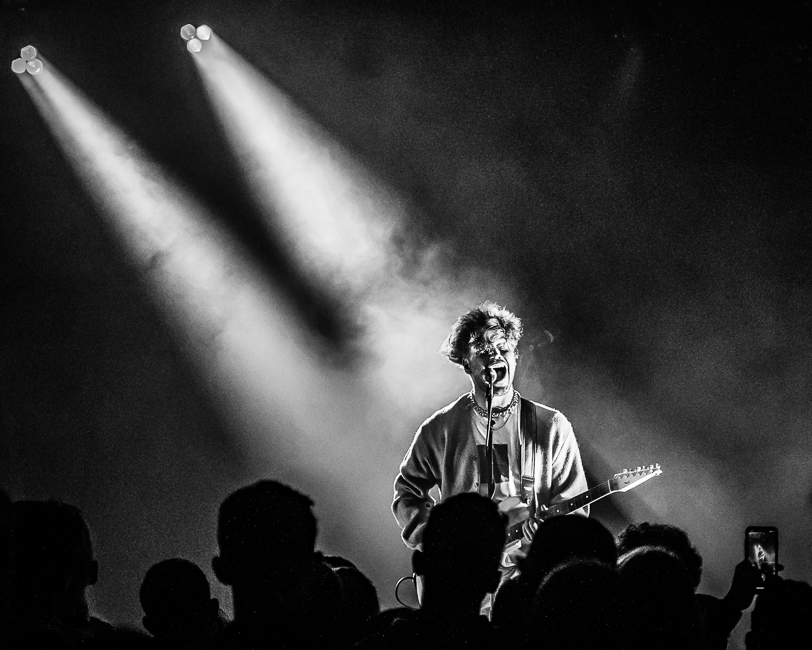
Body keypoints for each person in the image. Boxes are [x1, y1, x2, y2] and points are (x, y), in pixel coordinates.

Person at [392, 301, 589, 580]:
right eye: (484, 352)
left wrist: (548, 536)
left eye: (504, 349)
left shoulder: (551, 426)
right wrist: (440, 544)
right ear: (466, 363)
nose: (496, 358)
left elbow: (575, 507)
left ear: (516, 356)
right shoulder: (440, 429)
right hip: (463, 583)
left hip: (529, 579)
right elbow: (407, 494)